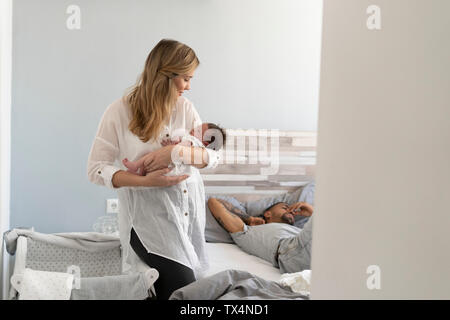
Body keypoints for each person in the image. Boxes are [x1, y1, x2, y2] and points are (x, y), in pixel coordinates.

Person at [87, 39, 221, 300]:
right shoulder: (119, 112)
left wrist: (174, 152)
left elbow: (210, 158)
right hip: (148, 223)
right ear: (165, 75)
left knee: (184, 289)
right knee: (186, 293)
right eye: (185, 78)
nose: (189, 86)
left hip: (187, 221)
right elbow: (96, 169)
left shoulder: (186, 108)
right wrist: (147, 182)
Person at [207, 198, 314, 273]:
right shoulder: (246, 231)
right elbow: (213, 202)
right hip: (291, 251)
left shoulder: (297, 229)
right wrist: (248, 219)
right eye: (285, 208)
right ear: (268, 214)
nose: (291, 212)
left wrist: (312, 213)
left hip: (306, 246)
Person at [122, 122, 226, 176]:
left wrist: (170, 146)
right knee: (151, 159)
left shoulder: (193, 142)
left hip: (171, 166)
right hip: (170, 165)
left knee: (150, 156)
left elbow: (177, 149)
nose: (194, 129)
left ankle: (135, 165)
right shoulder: (193, 143)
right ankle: (141, 172)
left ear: (205, 142)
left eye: (198, 130)